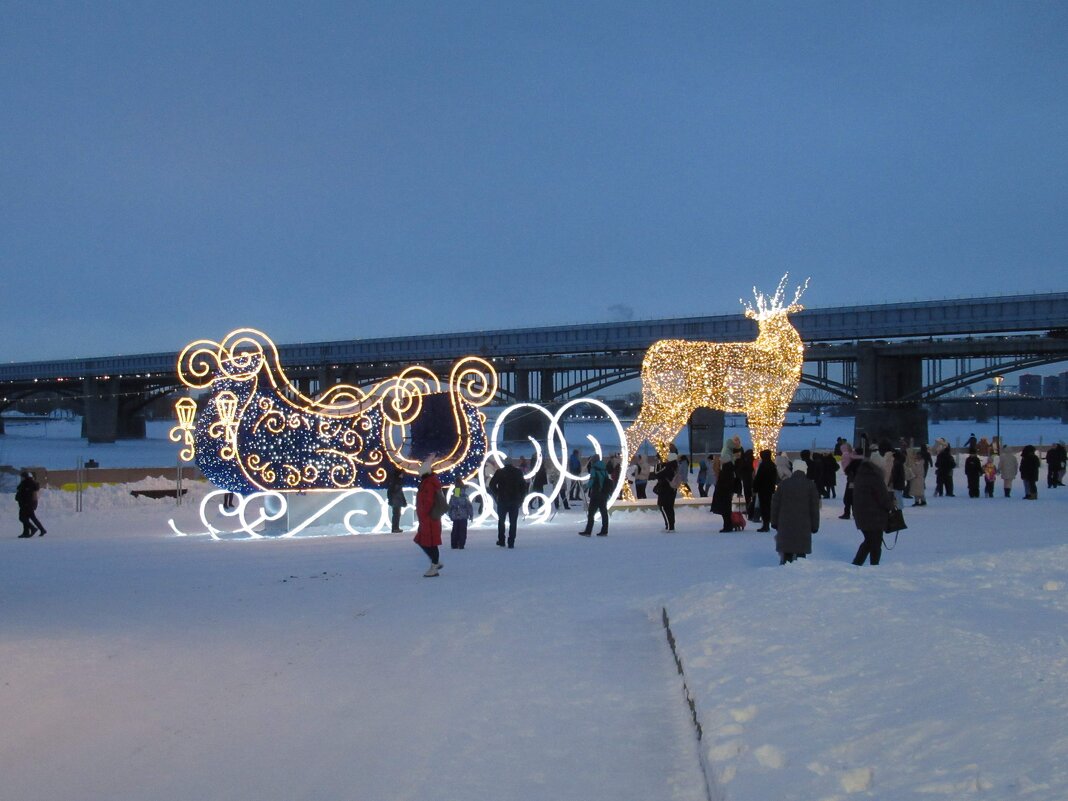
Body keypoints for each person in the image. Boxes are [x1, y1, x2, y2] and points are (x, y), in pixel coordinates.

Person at [770, 461, 820, 564]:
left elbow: (775, 505)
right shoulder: (810, 485)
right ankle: (799, 573)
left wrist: (774, 522)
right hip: (804, 524)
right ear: (804, 470)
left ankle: (785, 569)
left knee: (787, 551)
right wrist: (815, 526)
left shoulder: (783, 484)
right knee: (801, 554)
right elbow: (814, 508)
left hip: (785, 523)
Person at [851, 459, 894, 566]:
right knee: (874, 543)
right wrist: (891, 507)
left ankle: (857, 563)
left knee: (869, 541)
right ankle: (873, 565)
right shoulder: (875, 478)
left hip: (861, 516)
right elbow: (882, 497)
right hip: (875, 516)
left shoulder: (859, 478)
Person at [413, 460, 444, 577]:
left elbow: (428, 501)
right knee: (423, 540)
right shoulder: (429, 483)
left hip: (429, 518)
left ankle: (435, 564)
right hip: (428, 518)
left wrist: (423, 512)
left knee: (430, 542)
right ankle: (435, 562)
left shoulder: (428, 484)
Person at [488, 455, 527, 547]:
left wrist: (497, 493)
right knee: (513, 522)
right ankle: (511, 541)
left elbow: (491, 484)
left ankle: (501, 540)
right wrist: (521, 498)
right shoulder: (518, 472)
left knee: (501, 521)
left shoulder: (500, 472)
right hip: (514, 500)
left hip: (502, 500)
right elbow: (523, 487)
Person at [578, 458, 611, 537]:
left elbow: (592, 481)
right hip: (604, 493)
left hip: (596, 494)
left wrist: (585, 486)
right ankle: (604, 530)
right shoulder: (604, 469)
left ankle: (588, 531)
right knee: (604, 512)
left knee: (591, 512)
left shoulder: (594, 469)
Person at [651, 453, 679, 532]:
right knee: (669, 508)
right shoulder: (675, 467)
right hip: (672, 490)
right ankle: (671, 526)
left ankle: (669, 526)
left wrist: (658, 465)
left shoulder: (668, 467)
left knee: (663, 507)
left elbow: (657, 474)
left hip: (665, 490)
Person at [752, 449, 779, 533]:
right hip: (769, 489)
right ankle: (768, 523)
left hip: (762, 489)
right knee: (768, 506)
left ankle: (765, 525)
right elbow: (774, 478)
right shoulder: (772, 465)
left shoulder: (763, 465)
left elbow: (758, 477)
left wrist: (755, 487)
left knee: (764, 507)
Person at [710, 459, 738, 533]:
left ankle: (727, 526)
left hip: (723, 494)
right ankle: (728, 525)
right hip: (727, 494)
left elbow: (721, 483)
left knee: (725, 512)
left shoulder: (724, 474)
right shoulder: (731, 473)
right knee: (727, 511)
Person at [16, 470, 46, 538]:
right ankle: (28, 532)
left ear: (24, 477)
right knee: (29, 518)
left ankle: (32, 529)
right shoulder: (25, 483)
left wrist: (26, 503)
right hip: (26, 504)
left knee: (22, 518)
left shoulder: (28, 483)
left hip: (27, 504)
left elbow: (28, 495)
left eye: (22, 477)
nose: (21, 478)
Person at [447, 484, 473, 549]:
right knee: (463, 530)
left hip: (455, 515)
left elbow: (450, 506)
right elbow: (469, 506)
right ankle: (461, 544)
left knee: (455, 530)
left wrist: (450, 514)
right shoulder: (465, 496)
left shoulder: (454, 496)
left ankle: (454, 544)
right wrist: (471, 514)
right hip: (463, 515)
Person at [386, 466, 407, 533]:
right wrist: (390, 499)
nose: (402, 475)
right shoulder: (396, 482)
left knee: (396, 514)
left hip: (396, 500)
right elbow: (392, 491)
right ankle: (395, 528)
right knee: (396, 514)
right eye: (401, 474)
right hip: (396, 500)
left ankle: (395, 527)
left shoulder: (396, 482)